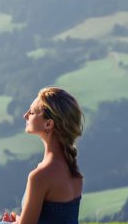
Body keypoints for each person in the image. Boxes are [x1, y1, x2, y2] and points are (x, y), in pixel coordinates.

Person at [15, 86, 84, 224]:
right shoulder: (72, 169)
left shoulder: (41, 176)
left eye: (32, 112)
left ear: (48, 124)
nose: (25, 115)